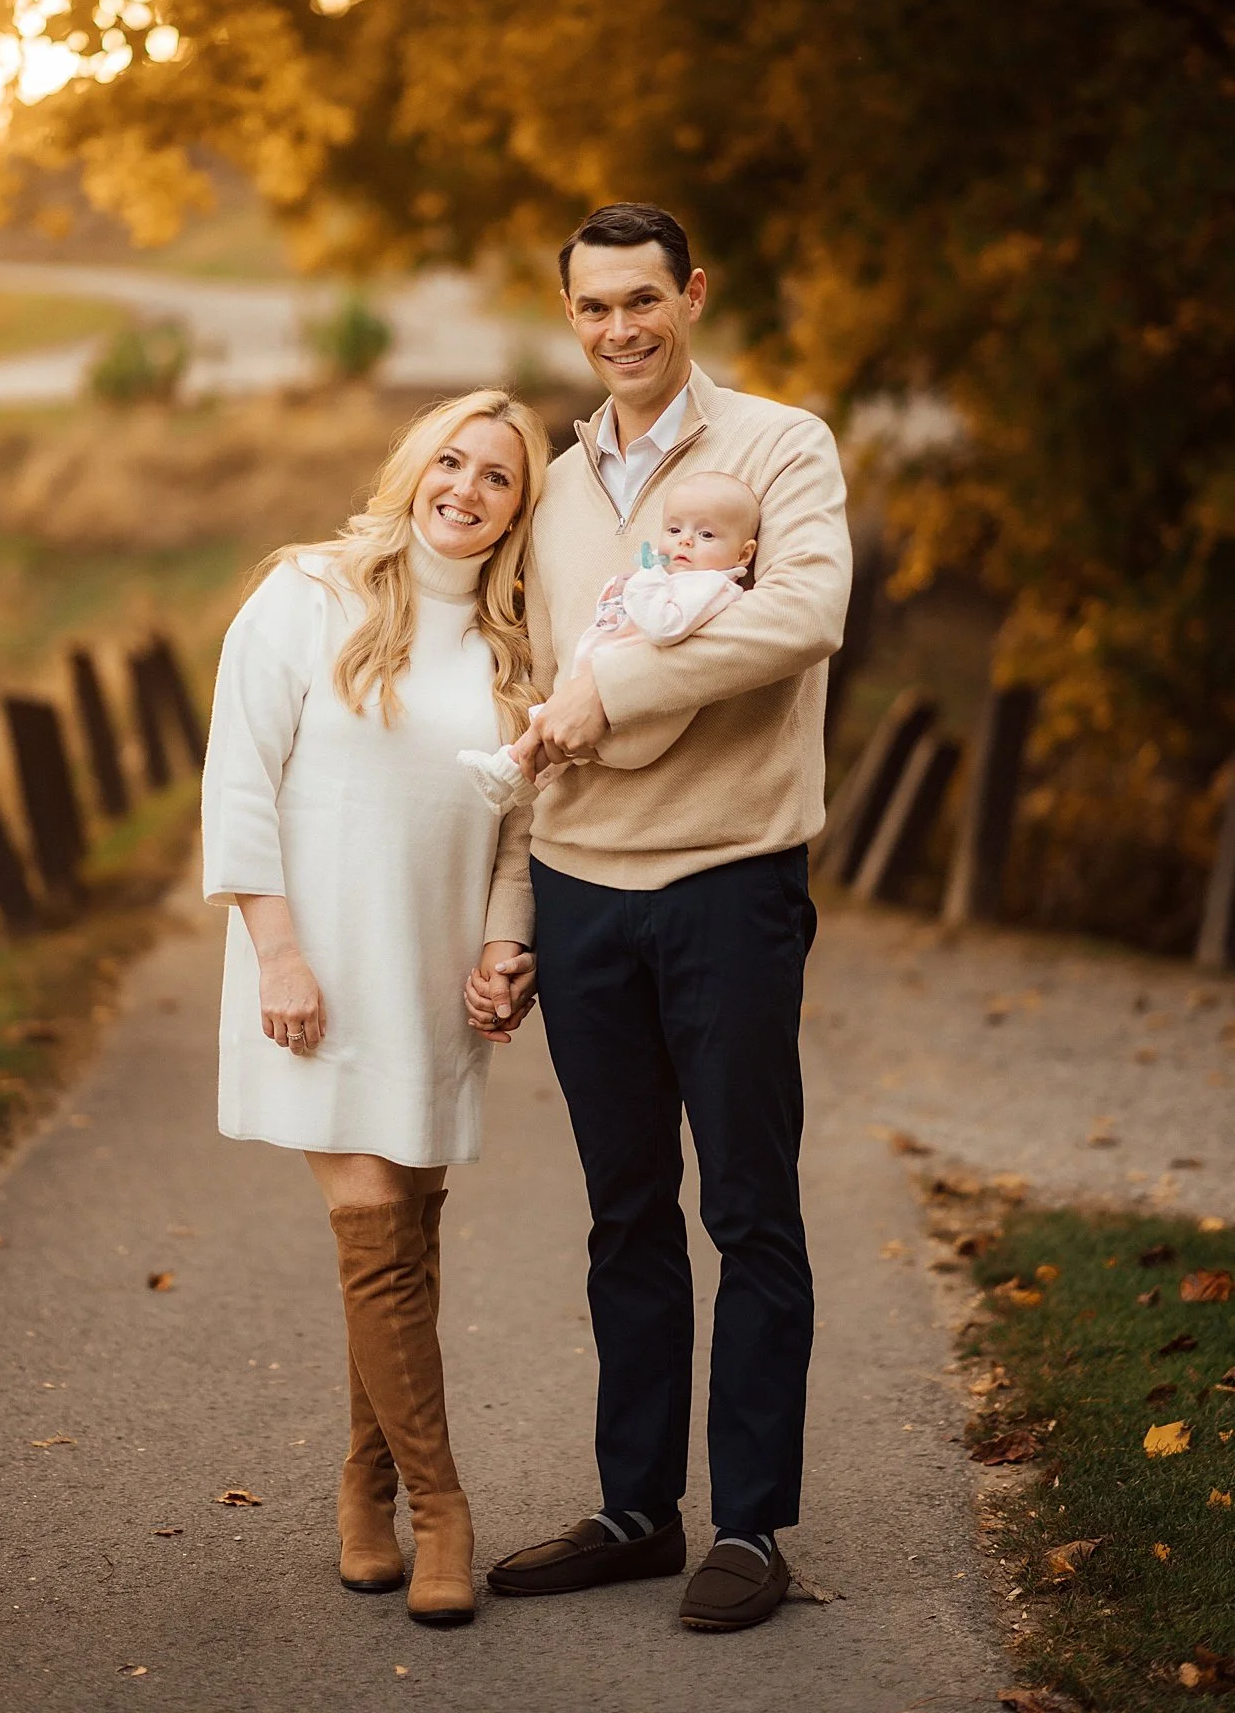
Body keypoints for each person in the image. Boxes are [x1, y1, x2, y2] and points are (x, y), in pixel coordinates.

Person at [467, 203, 851, 1633]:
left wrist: (611, 691)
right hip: (578, 896)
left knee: (748, 1208)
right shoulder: (553, 497)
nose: (619, 328)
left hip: (733, 880)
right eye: (592, 309)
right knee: (623, 1213)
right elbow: (525, 713)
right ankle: (637, 1507)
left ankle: (748, 1527)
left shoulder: (780, 447)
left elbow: (802, 615)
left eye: (644, 299)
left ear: (691, 294)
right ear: (569, 317)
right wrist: (510, 914)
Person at [201, 389, 548, 1628]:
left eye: (499, 476)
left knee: (402, 1244)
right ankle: (443, 1507)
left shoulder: (518, 650)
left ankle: (363, 1489)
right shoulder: (306, 594)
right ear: (412, 465)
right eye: (450, 458)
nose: (467, 486)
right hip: (317, 970)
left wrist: (509, 947)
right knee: (377, 1241)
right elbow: (239, 779)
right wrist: (277, 953)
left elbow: (520, 833)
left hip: (433, 981)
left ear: (522, 507)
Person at [457, 471, 759, 814]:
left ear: (744, 554)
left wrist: (645, 582)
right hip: (616, 708)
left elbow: (664, 626)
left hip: (633, 718)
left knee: (550, 723)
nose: (685, 542)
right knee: (555, 729)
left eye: (705, 534)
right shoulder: (686, 580)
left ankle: (508, 769)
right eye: (674, 530)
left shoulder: (707, 586)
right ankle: (524, 782)